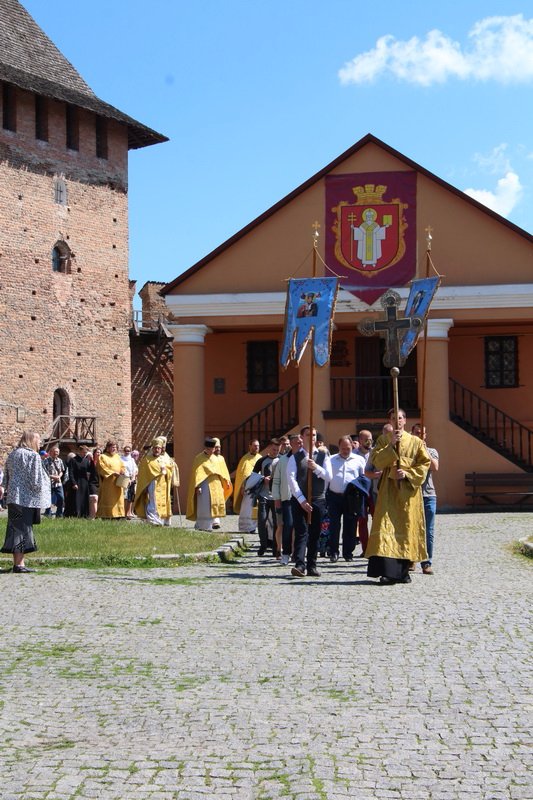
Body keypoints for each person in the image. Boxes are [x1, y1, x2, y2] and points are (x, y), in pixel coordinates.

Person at [366, 409, 431, 585]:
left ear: (405, 420)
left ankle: (402, 572)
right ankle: (387, 572)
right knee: (385, 527)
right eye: (394, 418)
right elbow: (377, 462)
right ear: (390, 420)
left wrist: (408, 473)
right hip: (388, 490)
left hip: (407, 492)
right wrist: (390, 445)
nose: (397, 421)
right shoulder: (383, 440)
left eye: (400, 418)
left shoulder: (416, 442)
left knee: (406, 529)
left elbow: (425, 463)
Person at [1, 430, 51, 573]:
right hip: (26, 499)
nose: (40, 443)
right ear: (31, 440)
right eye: (38, 440)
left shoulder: (13, 454)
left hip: (13, 498)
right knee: (23, 529)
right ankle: (19, 565)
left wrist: (5, 488)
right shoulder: (33, 455)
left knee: (15, 529)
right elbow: (36, 480)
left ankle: (18, 563)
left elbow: (6, 476)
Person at [287, 426, 332, 578]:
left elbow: (329, 476)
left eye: (313, 435)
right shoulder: (294, 457)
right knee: (301, 532)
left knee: (315, 534)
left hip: (318, 499)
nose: (311, 437)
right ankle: (300, 564)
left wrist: (316, 468)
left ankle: (312, 565)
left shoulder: (323, 456)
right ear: (302, 437)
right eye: (308, 435)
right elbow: (292, 480)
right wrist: (301, 500)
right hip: (300, 500)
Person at [327, 435, 367, 562]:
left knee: (350, 525)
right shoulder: (331, 459)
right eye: (343, 448)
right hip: (334, 495)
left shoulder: (359, 460)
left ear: (352, 446)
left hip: (351, 497)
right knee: (334, 525)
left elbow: (364, 478)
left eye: (348, 448)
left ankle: (348, 553)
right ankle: (333, 552)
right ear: (339, 447)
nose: (345, 450)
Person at [186, 437, 232, 531]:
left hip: (216, 484)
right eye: (209, 449)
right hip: (204, 484)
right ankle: (203, 526)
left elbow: (222, 471)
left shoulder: (216, 458)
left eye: (213, 449)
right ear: (206, 448)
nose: (211, 451)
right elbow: (196, 474)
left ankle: (213, 523)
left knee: (215, 504)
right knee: (204, 505)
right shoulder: (199, 458)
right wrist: (197, 486)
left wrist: (225, 481)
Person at [412, 423, 439, 575]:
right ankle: (412, 558)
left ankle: (427, 562)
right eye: (417, 433)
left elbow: (434, 466)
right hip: (412, 494)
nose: (419, 435)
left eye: (422, 433)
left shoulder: (432, 451)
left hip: (428, 495)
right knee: (412, 529)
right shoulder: (409, 452)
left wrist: (424, 451)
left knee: (428, 531)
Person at [272, 434, 301, 566]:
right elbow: (276, 481)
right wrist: (277, 497)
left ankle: (298, 553)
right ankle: (286, 553)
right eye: (295, 442)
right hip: (287, 498)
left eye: (300, 442)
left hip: (301, 498)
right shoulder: (282, 460)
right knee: (288, 525)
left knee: (300, 527)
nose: (298, 445)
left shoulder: (305, 458)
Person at [134, 437, 173, 525]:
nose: (157, 450)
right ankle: (153, 520)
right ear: (152, 448)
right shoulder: (147, 460)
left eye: (158, 448)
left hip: (163, 484)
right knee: (153, 501)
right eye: (155, 448)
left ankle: (161, 519)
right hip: (152, 483)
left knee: (162, 501)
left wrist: (167, 469)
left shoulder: (164, 459)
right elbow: (143, 473)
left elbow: (170, 470)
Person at [253, 438, 281, 556]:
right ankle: (263, 545)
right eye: (274, 449)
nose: (275, 452)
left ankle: (276, 547)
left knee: (276, 523)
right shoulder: (262, 461)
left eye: (278, 450)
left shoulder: (282, 459)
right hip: (264, 495)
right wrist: (262, 479)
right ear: (269, 448)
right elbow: (253, 476)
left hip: (276, 496)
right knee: (262, 520)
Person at [233, 439, 261, 533]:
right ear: (250, 446)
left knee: (257, 507)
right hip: (247, 488)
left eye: (257, 446)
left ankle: (253, 527)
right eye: (254, 445)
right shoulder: (244, 459)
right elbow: (242, 475)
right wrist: (242, 487)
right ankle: (245, 527)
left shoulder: (260, 458)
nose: (256, 447)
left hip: (258, 487)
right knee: (247, 508)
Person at [96, 440, 126, 519]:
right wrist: (112, 473)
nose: (114, 449)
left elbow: (122, 466)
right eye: (112, 447)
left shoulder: (117, 457)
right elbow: (102, 468)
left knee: (118, 498)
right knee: (108, 498)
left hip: (118, 482)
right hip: (108, 482)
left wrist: (123, 471)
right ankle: (107, 515)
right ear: (107, 448)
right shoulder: (103, 456)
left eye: (115, 447)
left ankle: (119, 515)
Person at [67, 443, 91, 518]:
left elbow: (89, 470)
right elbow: (71, 472)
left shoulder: (86, 460)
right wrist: (74, 483)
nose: (84, 454)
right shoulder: (73, 460)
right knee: (76, 499)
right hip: (76, 481)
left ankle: (84, 514)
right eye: (83, 452)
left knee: (84, 498)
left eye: (85, 453)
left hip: (84, 482)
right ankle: (76, 514)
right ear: (80, 451)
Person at [43, 443, 66, 517]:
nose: (56, 453)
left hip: (58, 483)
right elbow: (44, 473)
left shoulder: (60, 461)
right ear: (50, 452)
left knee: (61, 498)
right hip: (48, 483)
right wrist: (53, 477)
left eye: (57, 452)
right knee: (48, 499)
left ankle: (59, 514)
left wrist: (59, 476)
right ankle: (48, 513)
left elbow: (62, 471)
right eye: (55, 452)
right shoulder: (46, 461)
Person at [121, 444, 138, 519]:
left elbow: (134, 469)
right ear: (123, 451)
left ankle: (129, 513)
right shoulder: (121, 459)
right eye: (126, 451)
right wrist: (128, 478)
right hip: (125, 479)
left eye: (129, 451)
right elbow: (122, 469)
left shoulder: (132, 459)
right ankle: (124, 513)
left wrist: (133, 478)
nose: (127, 452)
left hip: (132, 479)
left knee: (131, 496)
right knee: (125, 496)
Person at [88, 447, 101, 519]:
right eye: (97, 452)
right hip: (92, 482)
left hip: (100, 482)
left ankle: (97, 515)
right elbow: (88, 473)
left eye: (99, 452)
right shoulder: (91, 462)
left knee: (98, 499)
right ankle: (93, 516)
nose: (98, 454)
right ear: (94, 453)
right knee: (94, 498)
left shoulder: (102, 463)